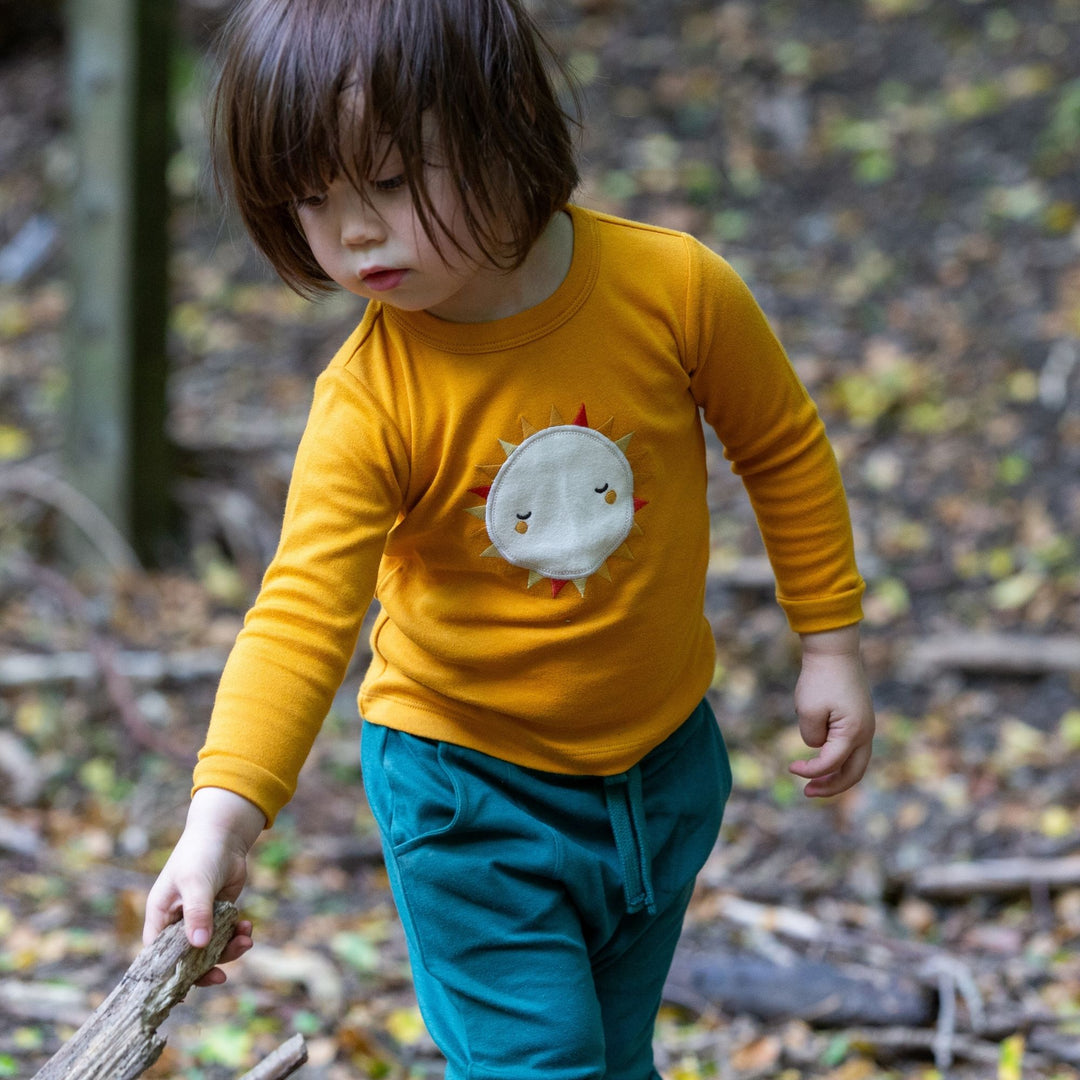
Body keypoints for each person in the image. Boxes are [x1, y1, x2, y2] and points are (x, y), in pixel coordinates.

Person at [143, 0, 876, 1076]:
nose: (353, 233)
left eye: (389, 183)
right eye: (312, 199)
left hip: (663, 769)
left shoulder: (673, 292)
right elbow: (301, 615)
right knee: (542, 1061)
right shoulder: (372, 400)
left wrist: (832, 641)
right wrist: (221, 819)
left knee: (610, 1056)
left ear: (501, 125)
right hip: (467, 796)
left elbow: (782, 447)